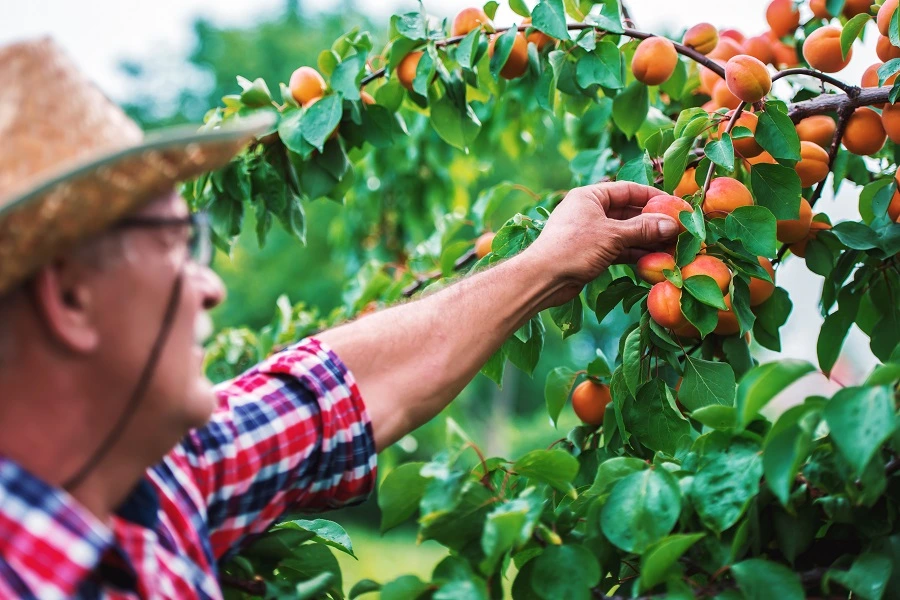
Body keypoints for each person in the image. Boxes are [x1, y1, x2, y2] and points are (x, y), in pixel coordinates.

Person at [0, 38, 679, 599]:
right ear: (71, 299)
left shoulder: (152, 489)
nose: (208, 287)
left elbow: (332, 395)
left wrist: (547, 264)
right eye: (178, 247)